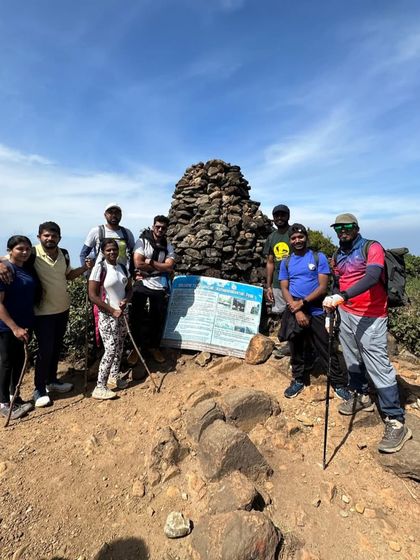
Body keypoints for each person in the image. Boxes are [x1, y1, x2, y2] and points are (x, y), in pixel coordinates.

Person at [323, 213, 412, 453]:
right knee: (352, 359)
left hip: (372, 316)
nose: (343, 231)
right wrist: (332, 313)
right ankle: (361, 395)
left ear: (356, 227)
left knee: (378, 365)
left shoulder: (372, 247)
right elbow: (336, 283)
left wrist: (342, 297)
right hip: (347, 314)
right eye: (338, 228)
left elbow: (372, 277)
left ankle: (396, 420)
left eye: (347, 226)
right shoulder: (337, 254)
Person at [0, 222, 94, 408]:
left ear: (59, 237)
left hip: (62, 309)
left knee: (55, 348)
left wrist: (84, 269)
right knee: (44, 351)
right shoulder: (31, 253)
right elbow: (8, 259)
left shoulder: (64, 254)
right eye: (46, 236)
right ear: (39, 237)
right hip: (42, 312)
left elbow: (67, 276)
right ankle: (39, 389)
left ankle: (52, 381)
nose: (50, 239)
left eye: (54, 236)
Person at [279, 224, 350, 400]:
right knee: (296, 347)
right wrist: (296, 310)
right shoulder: (286, 262)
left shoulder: (318, 257)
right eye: (294, 238)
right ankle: (298, 379)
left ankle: (338, 383)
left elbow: (322, 287)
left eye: (300, 237)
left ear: (306, 238)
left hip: (316, 309)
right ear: (290, 240)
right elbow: (284, 288)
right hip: (295, 309)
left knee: (326, 347)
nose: (297, 240)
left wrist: (301, 303)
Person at [88, 239, 132, 399]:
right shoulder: (99, 268)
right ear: (103, 252)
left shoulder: (122, 267)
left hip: (121, 314)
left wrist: (126, 300)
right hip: (107, 315)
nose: (112, 252)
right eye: (108, 250)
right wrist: (112, 310)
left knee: (120, 346)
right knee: (111, 349)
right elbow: (93, 295)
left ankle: (113, 378)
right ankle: (100, 386)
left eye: (114, 250)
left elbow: (129, 289)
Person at [0, 236, 37, 419]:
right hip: (7, 326)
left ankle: (16, 397)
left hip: (24, 324)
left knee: (17, 362)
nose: (24, 252)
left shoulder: (26, 269)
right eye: (20, 249)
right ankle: (3, 403)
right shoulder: (6, 271)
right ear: (10, 250)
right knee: (6, 363)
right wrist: (14, 327)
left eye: (27, 249)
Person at [131, 215, 175, 364]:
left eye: (163, 227)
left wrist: (149, 261)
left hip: (159, 284)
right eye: (158, 227)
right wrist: (159, 266)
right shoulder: (142, 241)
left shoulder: (168, 245)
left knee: (157, 316)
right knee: (136, 315)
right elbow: (138, 263)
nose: (160, 229)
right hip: (142, 282)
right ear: (153, 226)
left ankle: (153, 347)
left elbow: (170, 266)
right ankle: (136, 348)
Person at [80, 203, 135, 269]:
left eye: (117, 213)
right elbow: (83, 254)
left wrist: (131, 272)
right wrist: (86, 272)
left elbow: (134, 254)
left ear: (121, 215)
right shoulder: (96, 231)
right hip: (100, 275)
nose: (114, 215)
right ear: (105, 215)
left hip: (121, 274)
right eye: (110, 212)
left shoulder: (127, 233)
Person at [263, 204, 291, 316]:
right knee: (280, 314)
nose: (279, 218)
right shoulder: (271, 237)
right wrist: (269, 286)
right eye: (276, 215)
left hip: (294, 282)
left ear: (288, 216)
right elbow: (270, 262)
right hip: (277, 283)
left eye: (283, 215)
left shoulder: (294, 233)